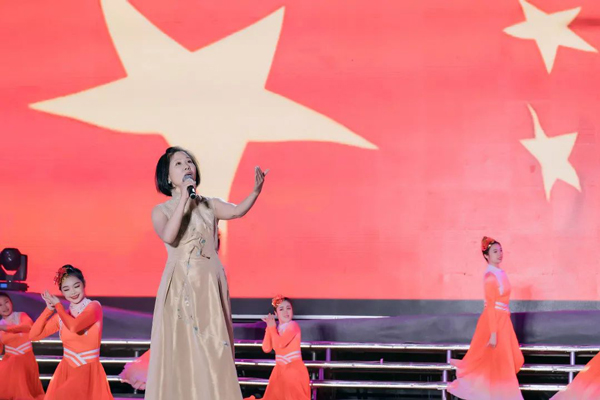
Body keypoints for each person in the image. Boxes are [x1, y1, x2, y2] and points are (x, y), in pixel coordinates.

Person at [144, 146, 267, 400]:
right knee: (182, 348)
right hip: (180, 286)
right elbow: (169, 236)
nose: (187, 166)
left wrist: (255, 191)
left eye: (189, 162)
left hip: (209, 284)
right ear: (168, 177)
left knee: (214, 348)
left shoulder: (209, 204)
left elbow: (236, 210)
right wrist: (184, 199)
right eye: (179, 164)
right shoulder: (161, 211)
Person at [447, 237, 524, 400]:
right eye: (495, 251)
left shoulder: (500, 273)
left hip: (503, 321)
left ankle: (497, 394)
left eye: (500, 250)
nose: (499, 254)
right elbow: (490, 306)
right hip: (493, 322)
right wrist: (493, 333)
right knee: (499, 363)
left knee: (510, 360)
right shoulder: (490, 276)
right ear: (487, 256)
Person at [29, 265, 114, 400]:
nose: (73, 292)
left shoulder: (94, 306)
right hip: (66, 369)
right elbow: (33, 335)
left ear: (84, 284)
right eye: (66, 289)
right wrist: (49, 310)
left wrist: (58, 306)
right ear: (62, 292)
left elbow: (74, 327)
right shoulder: (62, 316)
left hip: (88, 370)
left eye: (76, 286)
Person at [245, 295, 310, 400]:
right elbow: (266, 348)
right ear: (276, 313)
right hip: (279, 371)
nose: (286, 312)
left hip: (293, 370)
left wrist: (272, 328)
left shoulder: (293, 325)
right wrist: (269, 328)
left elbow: (280, 344)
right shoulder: (275, 328)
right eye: (281, 309)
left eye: (288, 308)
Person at [0, 292, 44, 400]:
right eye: (0, 305)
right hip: (10, 366)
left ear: (11, 302)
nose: (4, 307)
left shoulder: (21, 316)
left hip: (27, 361)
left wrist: (6, 328)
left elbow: (28, 326)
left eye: (6, 302)